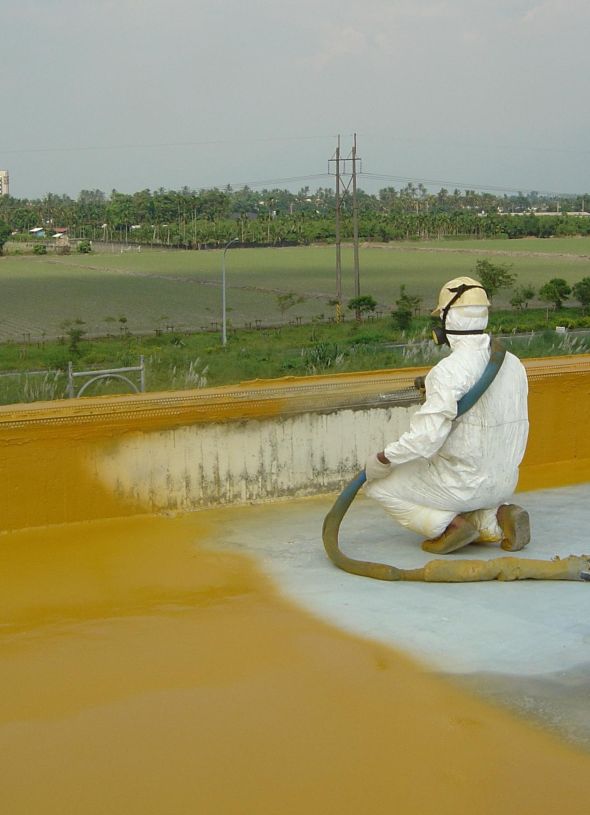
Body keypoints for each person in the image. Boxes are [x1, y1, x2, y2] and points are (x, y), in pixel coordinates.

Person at [364, 276, 530, 555]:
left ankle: (450, 527)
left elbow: (426, 439)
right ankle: (496, 518)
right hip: (504, 482)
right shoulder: (513, 364)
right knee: (459, 479)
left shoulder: (448, 371)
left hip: (462, 484)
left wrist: (384, 458)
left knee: (379, 486)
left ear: (447, 320)